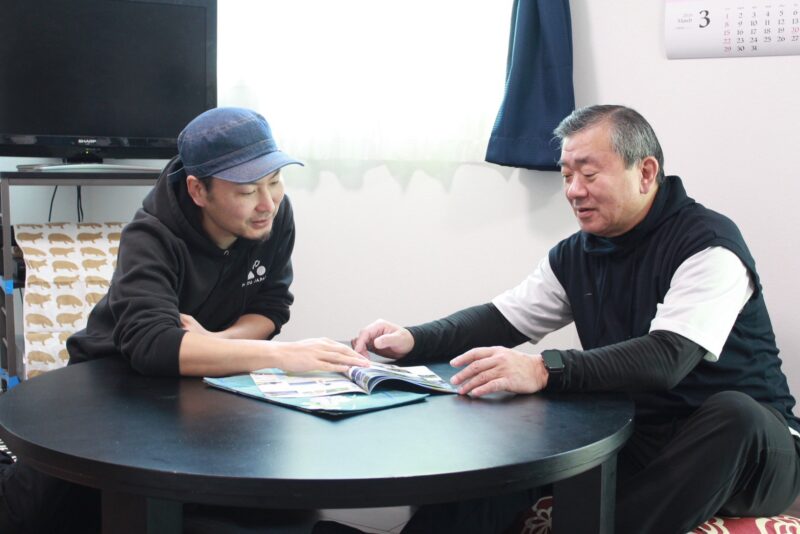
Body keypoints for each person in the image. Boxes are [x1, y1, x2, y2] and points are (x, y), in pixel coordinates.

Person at [352, 105, 800, 533]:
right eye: (567, 176)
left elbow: (667, 358)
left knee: (734, 414)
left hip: (751, 452)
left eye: (588, 174)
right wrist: (413, 339)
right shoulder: (576, 254)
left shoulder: (709, 244)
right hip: (642, 436)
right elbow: (502, 318)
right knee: (522, 414)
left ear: (646, 173)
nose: (573, 191)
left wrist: (544, 369)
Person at [0, 106, 369, 533]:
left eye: (275, 182)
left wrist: (219, 342)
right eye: (247, 191)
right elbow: (153, 345)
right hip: (112, 381)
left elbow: (271, 306)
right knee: (28, 516)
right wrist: (282, 355)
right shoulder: (151, 235)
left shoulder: (273, 217)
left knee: (272, 509)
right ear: (198, 190)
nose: (267, 203)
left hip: (205, 377)